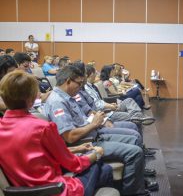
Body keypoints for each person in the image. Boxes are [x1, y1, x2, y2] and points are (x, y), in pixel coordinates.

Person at [44, 65, 157, 196]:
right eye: (79, 83)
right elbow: (70, 137)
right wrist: (94, 124)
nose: (81, 87)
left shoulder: (67, 97)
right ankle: (134, 192)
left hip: (93, 134)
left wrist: (97, 122)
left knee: (134, 137)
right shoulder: (58, 102)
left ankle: (138, 181)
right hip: (85, 144)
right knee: (135, 152)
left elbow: (84, 118)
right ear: (68, 81)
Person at [0, 71, 113, 196]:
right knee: (103, 166)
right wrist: (96, 154)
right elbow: (73, 164)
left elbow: (35, 156)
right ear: (31, 100)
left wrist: (76, 149)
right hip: (55, 190)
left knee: (104, 170)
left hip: (24, 190)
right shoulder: (42, 127)